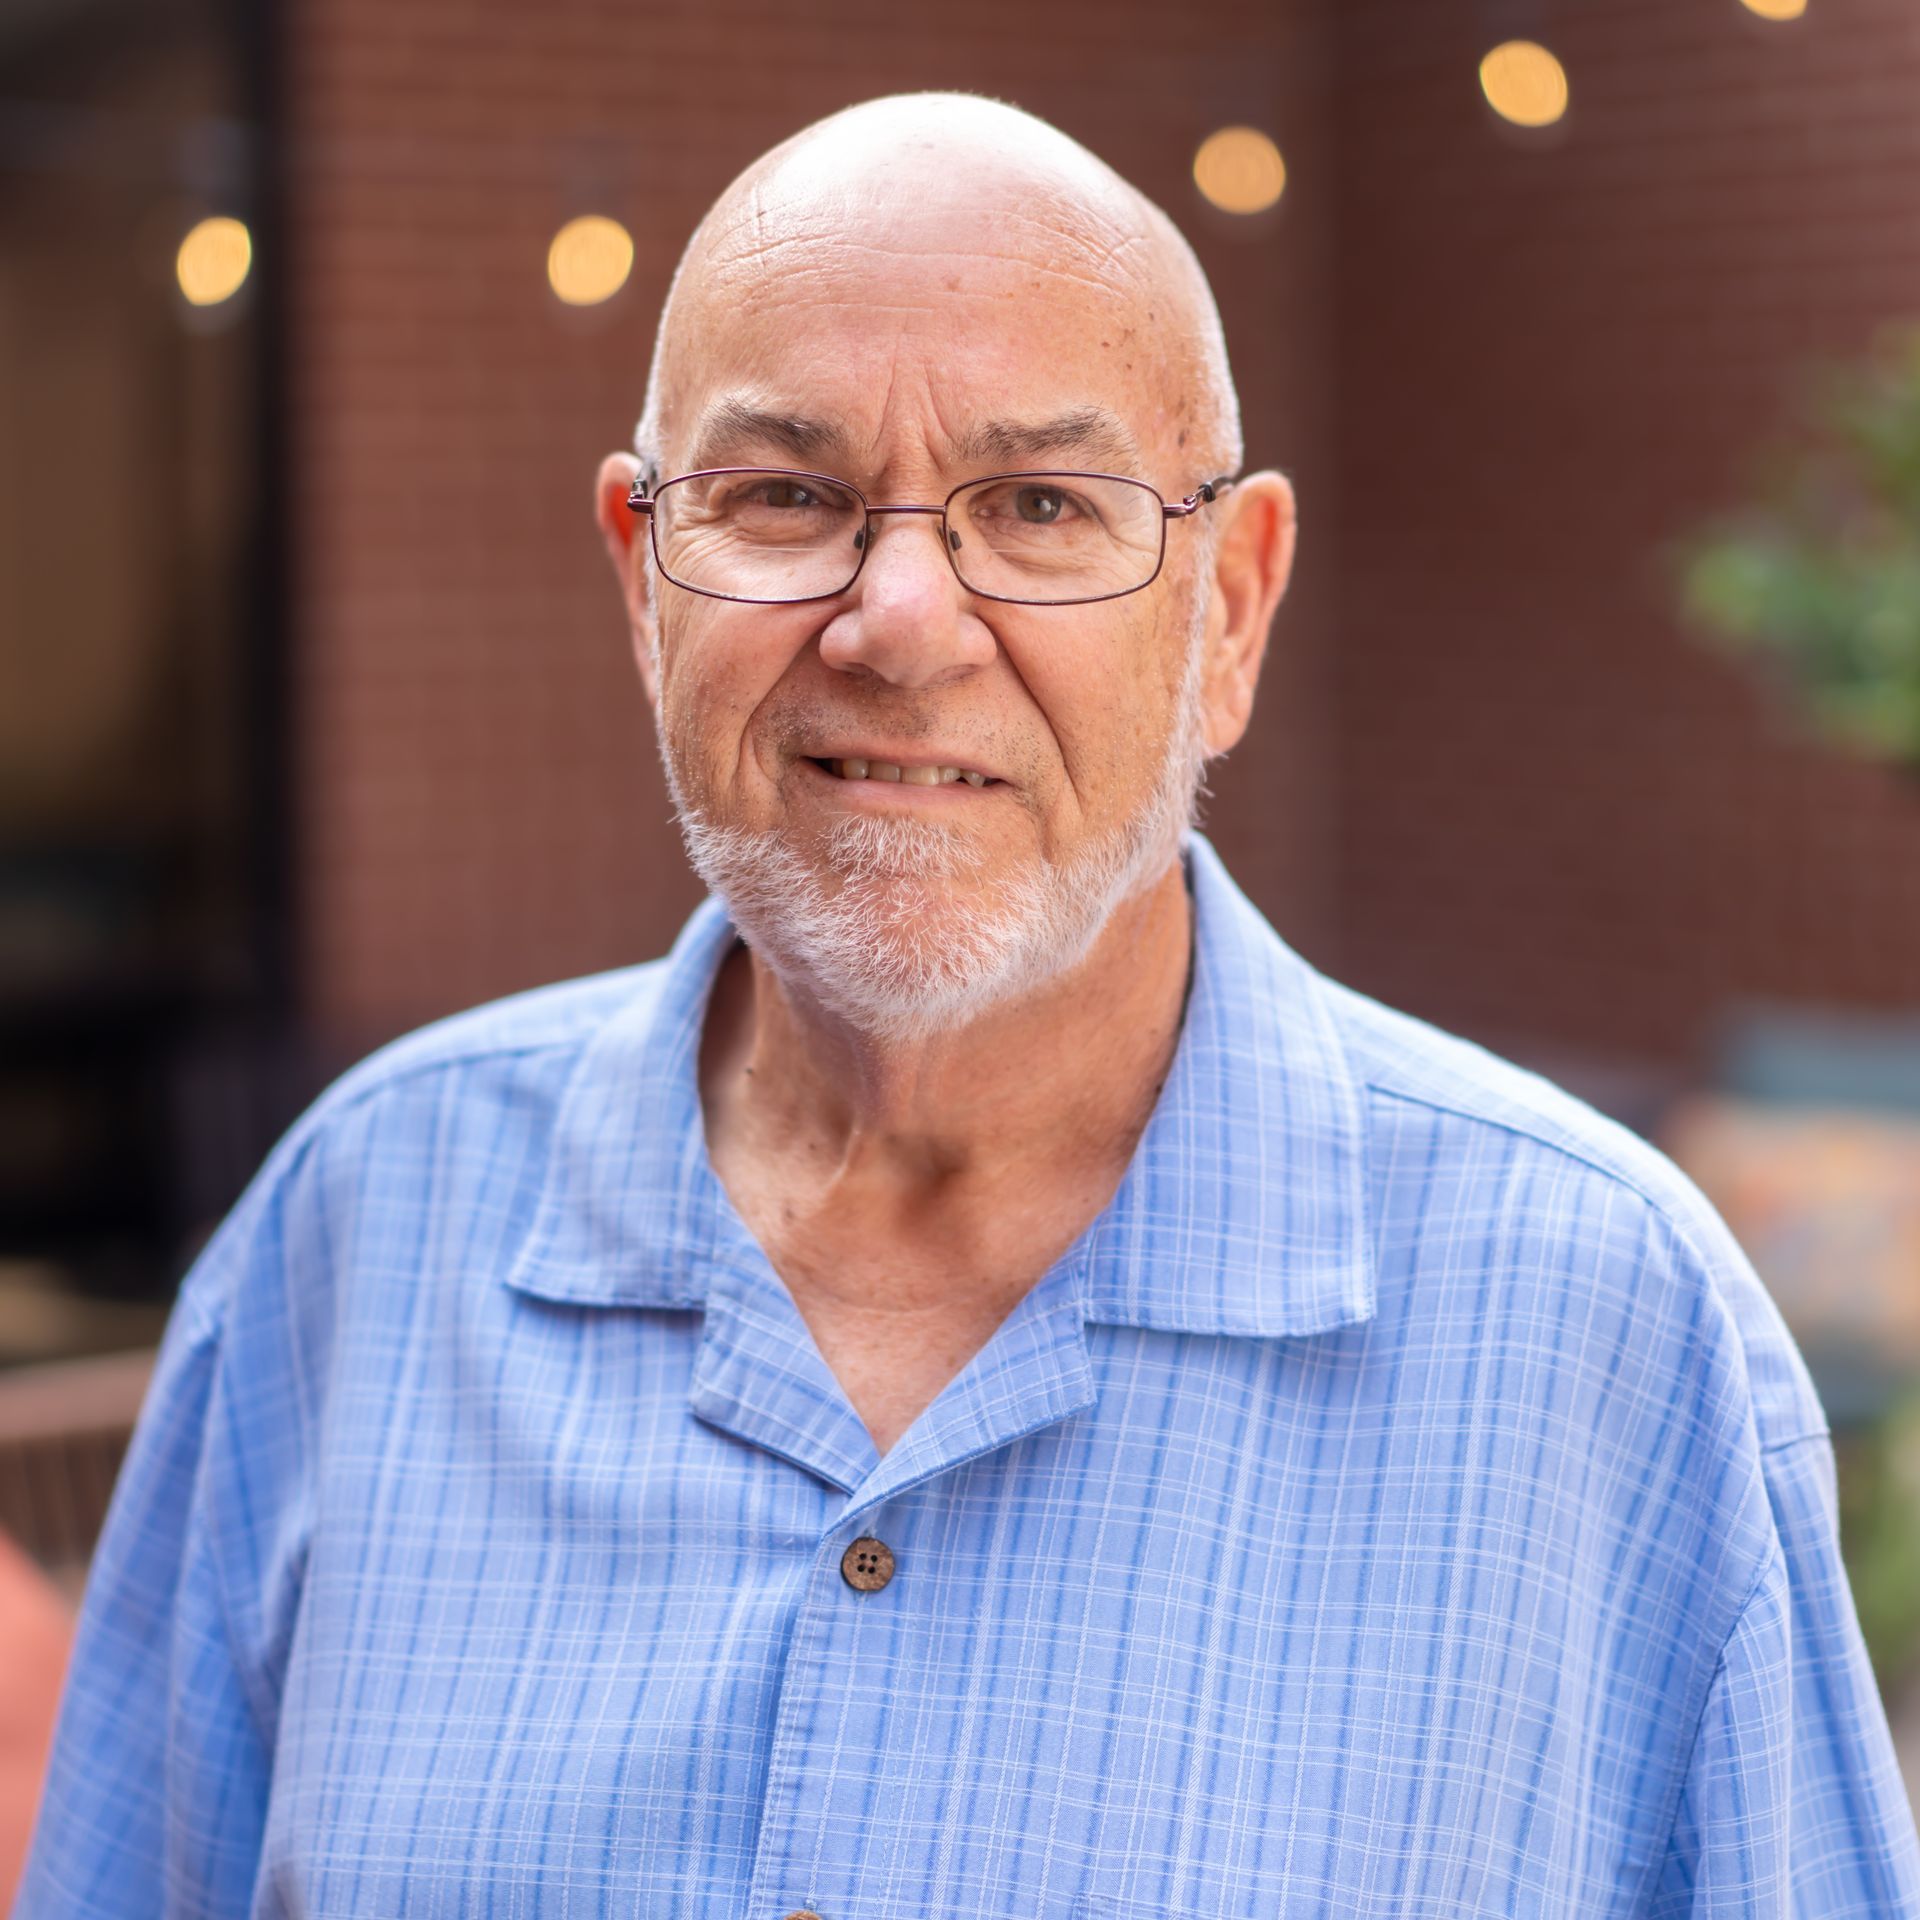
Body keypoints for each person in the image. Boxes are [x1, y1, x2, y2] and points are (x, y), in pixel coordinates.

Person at [16, 92, 1920, 1920]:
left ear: (1231, 609)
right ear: (639, 576)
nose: (903, 622)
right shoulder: (351, 1240)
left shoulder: (1604, 1329)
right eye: (785, 496)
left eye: (1037, 503)